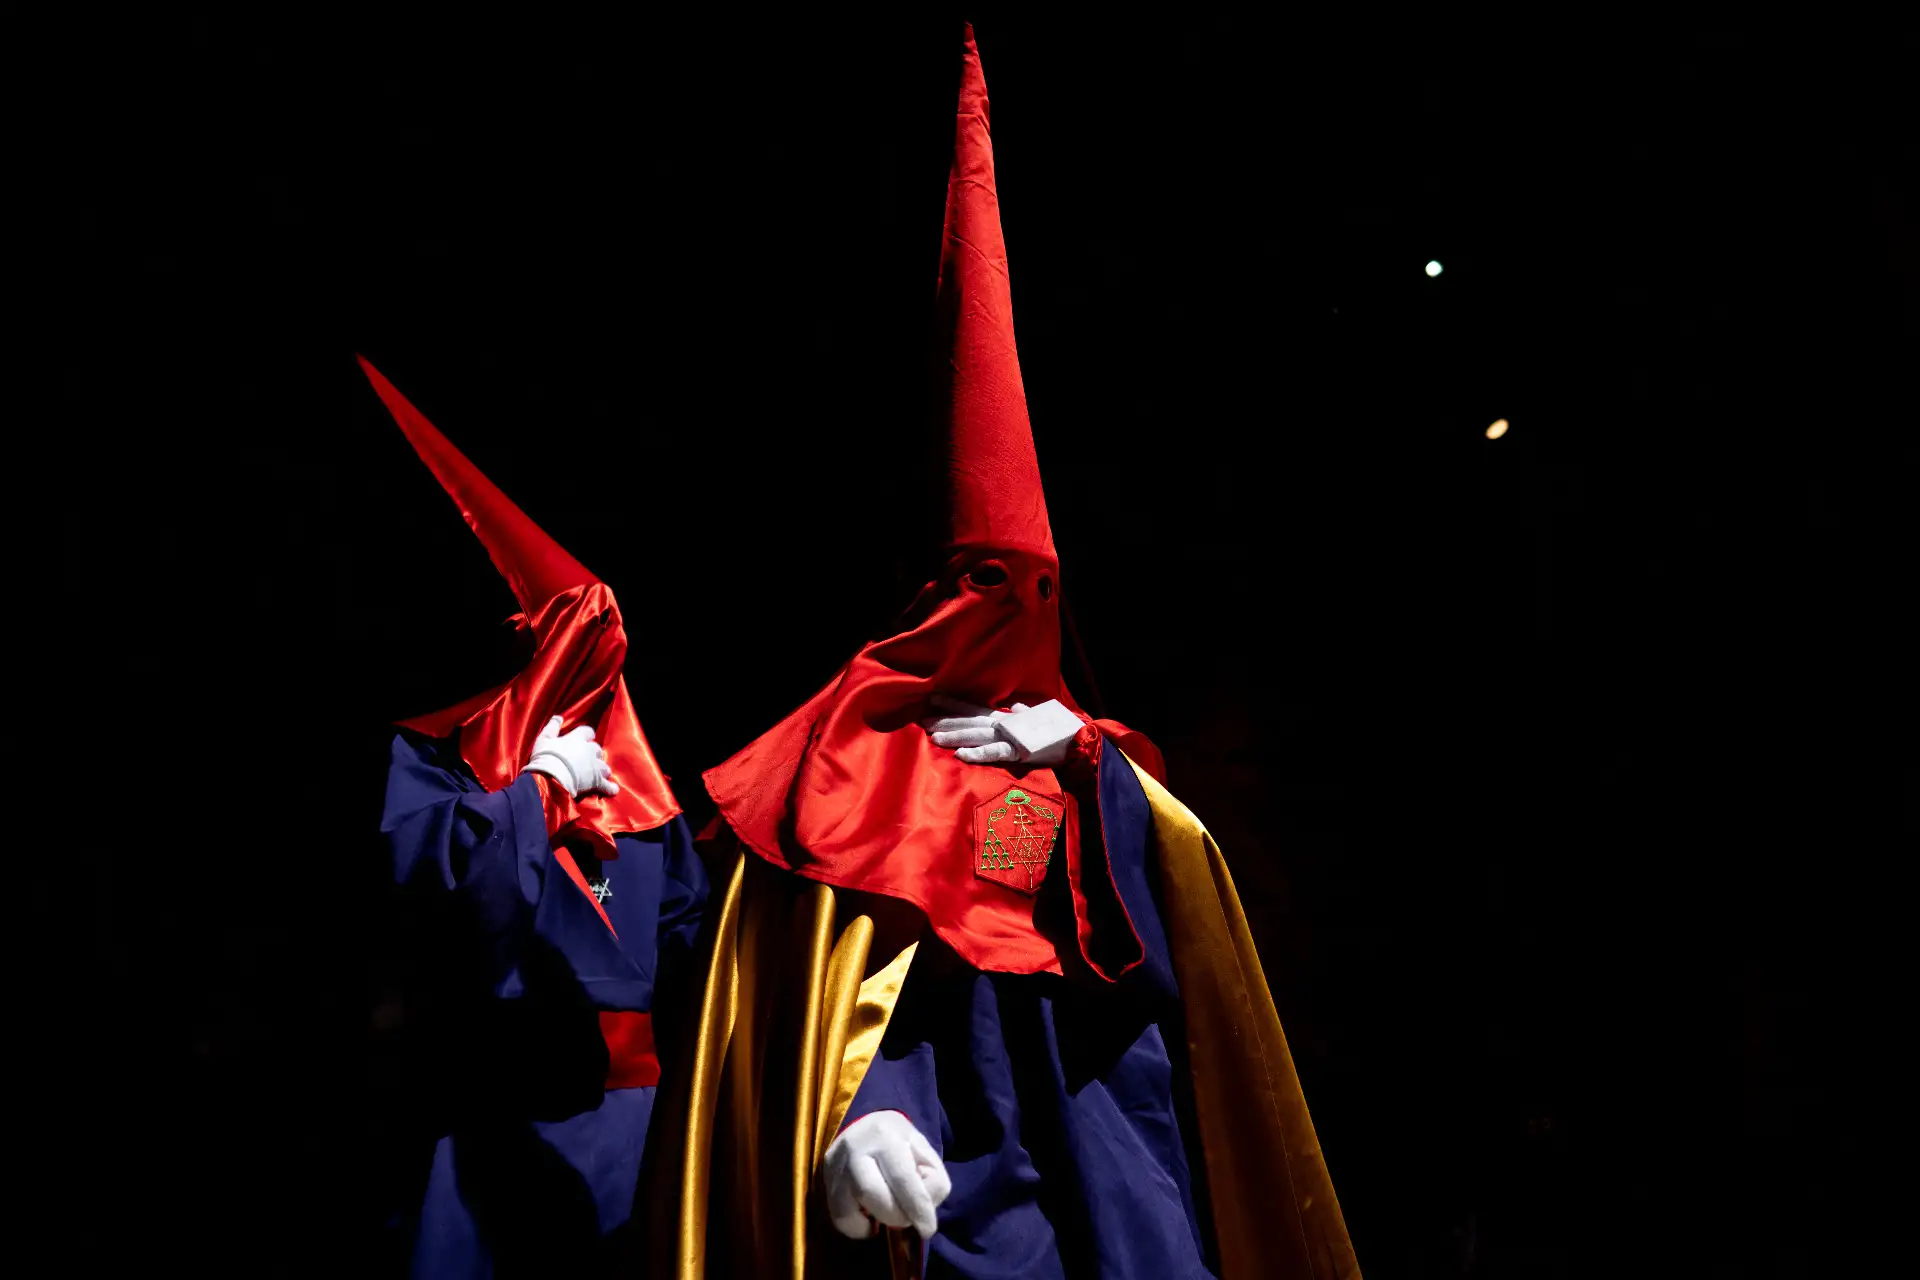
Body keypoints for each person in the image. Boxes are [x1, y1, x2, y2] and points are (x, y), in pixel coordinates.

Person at [640, 28, 1357, 1280]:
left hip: (1110, 1140)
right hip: (951, 1174)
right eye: (979, 585)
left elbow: (1156, 953)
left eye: (1026, 589)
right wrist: (848, 1112)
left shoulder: (1088, 772)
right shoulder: (842, 774)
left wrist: (1086, 765)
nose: (1002, 609)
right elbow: (825, 990)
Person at [361, 357, 709, 1277]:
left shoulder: (643, 787)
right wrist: (537, 791)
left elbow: (691, 947)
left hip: (629, 1131)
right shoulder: (436, 757)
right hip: (484, 1121)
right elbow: (438, 898)